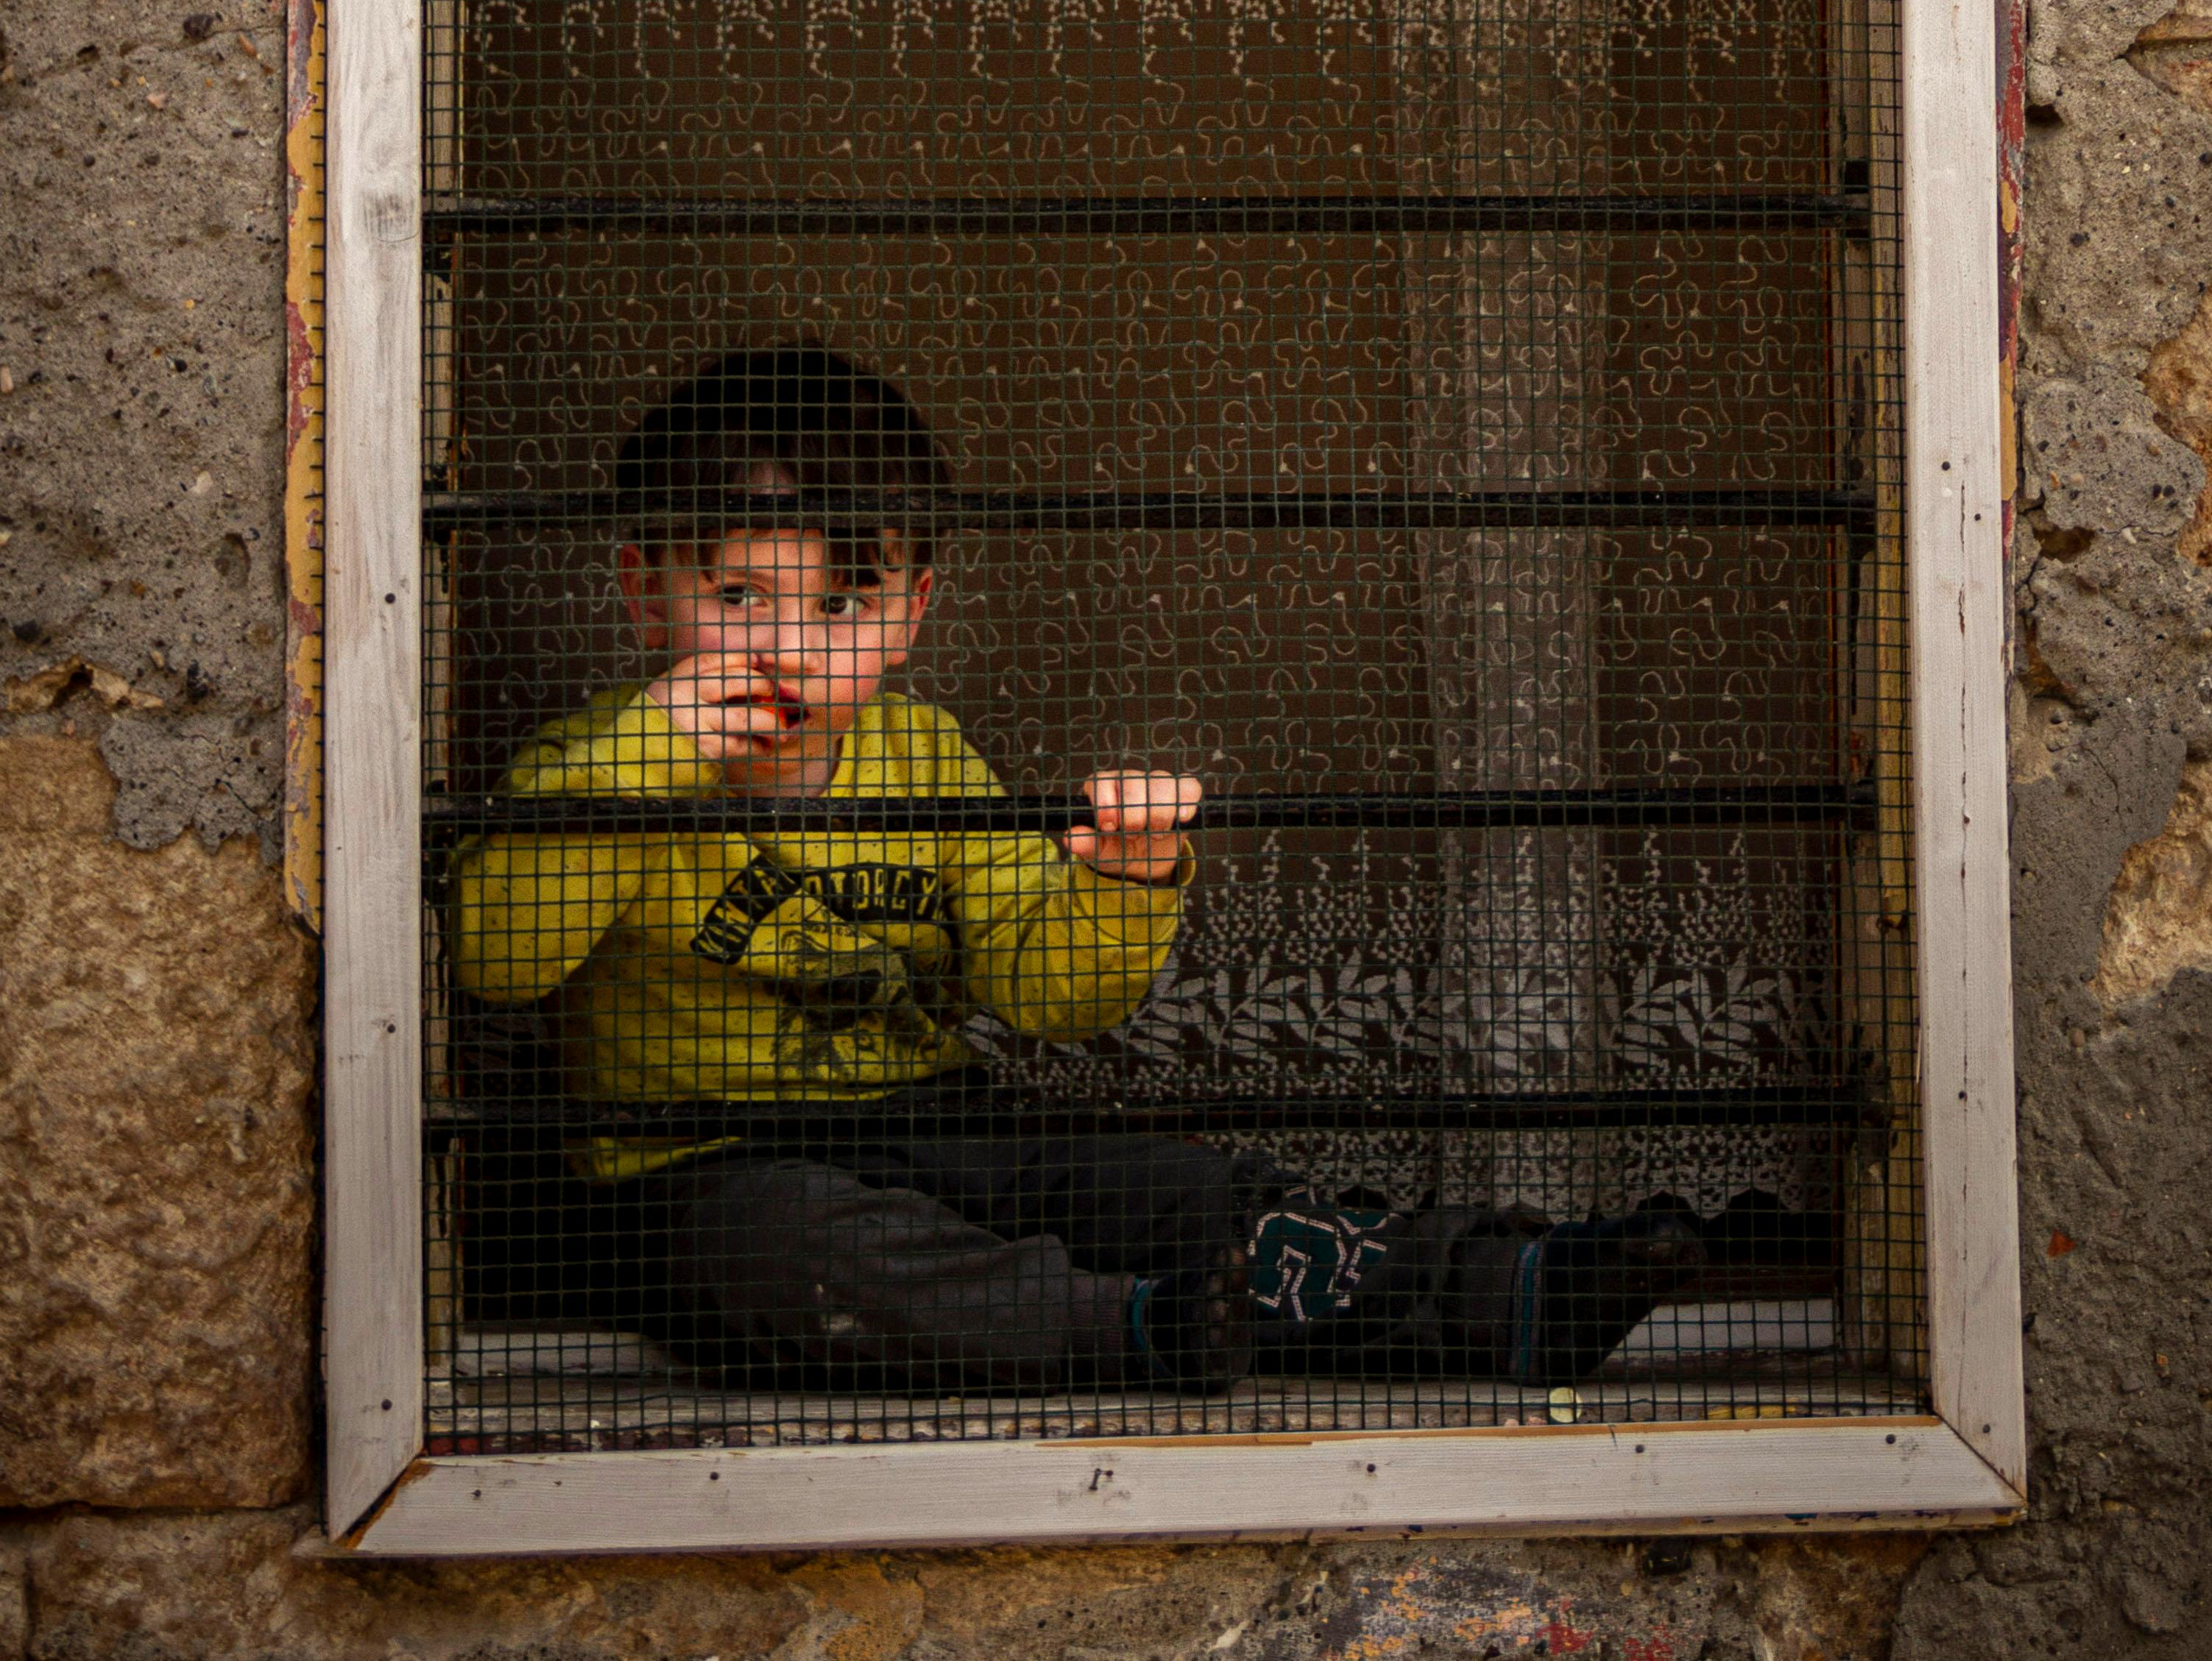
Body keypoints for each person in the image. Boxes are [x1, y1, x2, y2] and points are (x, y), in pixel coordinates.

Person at [456, 346, 1704, 1397]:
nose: (786, 646)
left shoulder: (924, 756)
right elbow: (499, 963)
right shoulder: (592, 761)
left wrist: (1123, 880)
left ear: (913, 613)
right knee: (785, 1254)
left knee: (1174, 1187)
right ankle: (1124, 1331)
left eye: (842, 608)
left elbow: (1046, 994)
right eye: (736, 596)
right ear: (642, 596)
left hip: (933, 1123)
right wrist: (642, 765)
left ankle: (1501, 1292)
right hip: (694, 1165)